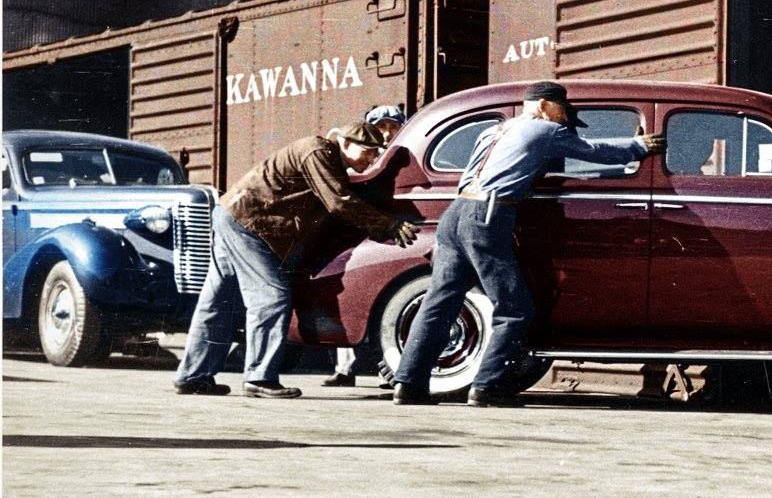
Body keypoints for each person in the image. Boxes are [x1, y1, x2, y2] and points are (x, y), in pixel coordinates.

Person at [392, 81, 664, 407]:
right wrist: (637, 146)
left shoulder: (495, 131)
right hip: (490, 215)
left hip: (456, 214)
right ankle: (487, 387)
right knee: (514, 309)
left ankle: (408, 384)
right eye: (563, 111)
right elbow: (592, 151)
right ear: (546, 105)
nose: (564, 120)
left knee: (439, 303)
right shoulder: (545, 131)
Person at [173, 123, 419, 398]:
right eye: (368, 151)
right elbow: (339, 202)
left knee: (218, 301)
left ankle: (192, 376)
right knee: (271, 298)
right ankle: (259, 377)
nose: (372, 159)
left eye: (376, 154)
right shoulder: (319, 153)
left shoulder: (324, 155)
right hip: (248, 223)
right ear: (346, 144)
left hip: (232, 215)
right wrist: (388, 226)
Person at [322, 104, 408, 388]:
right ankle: (345, 368)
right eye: (380, 127)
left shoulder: (399, 155)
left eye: (391, 127)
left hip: (378, 226)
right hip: (355, 226)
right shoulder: (358, 155)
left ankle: (387, 370)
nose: (385, 134)